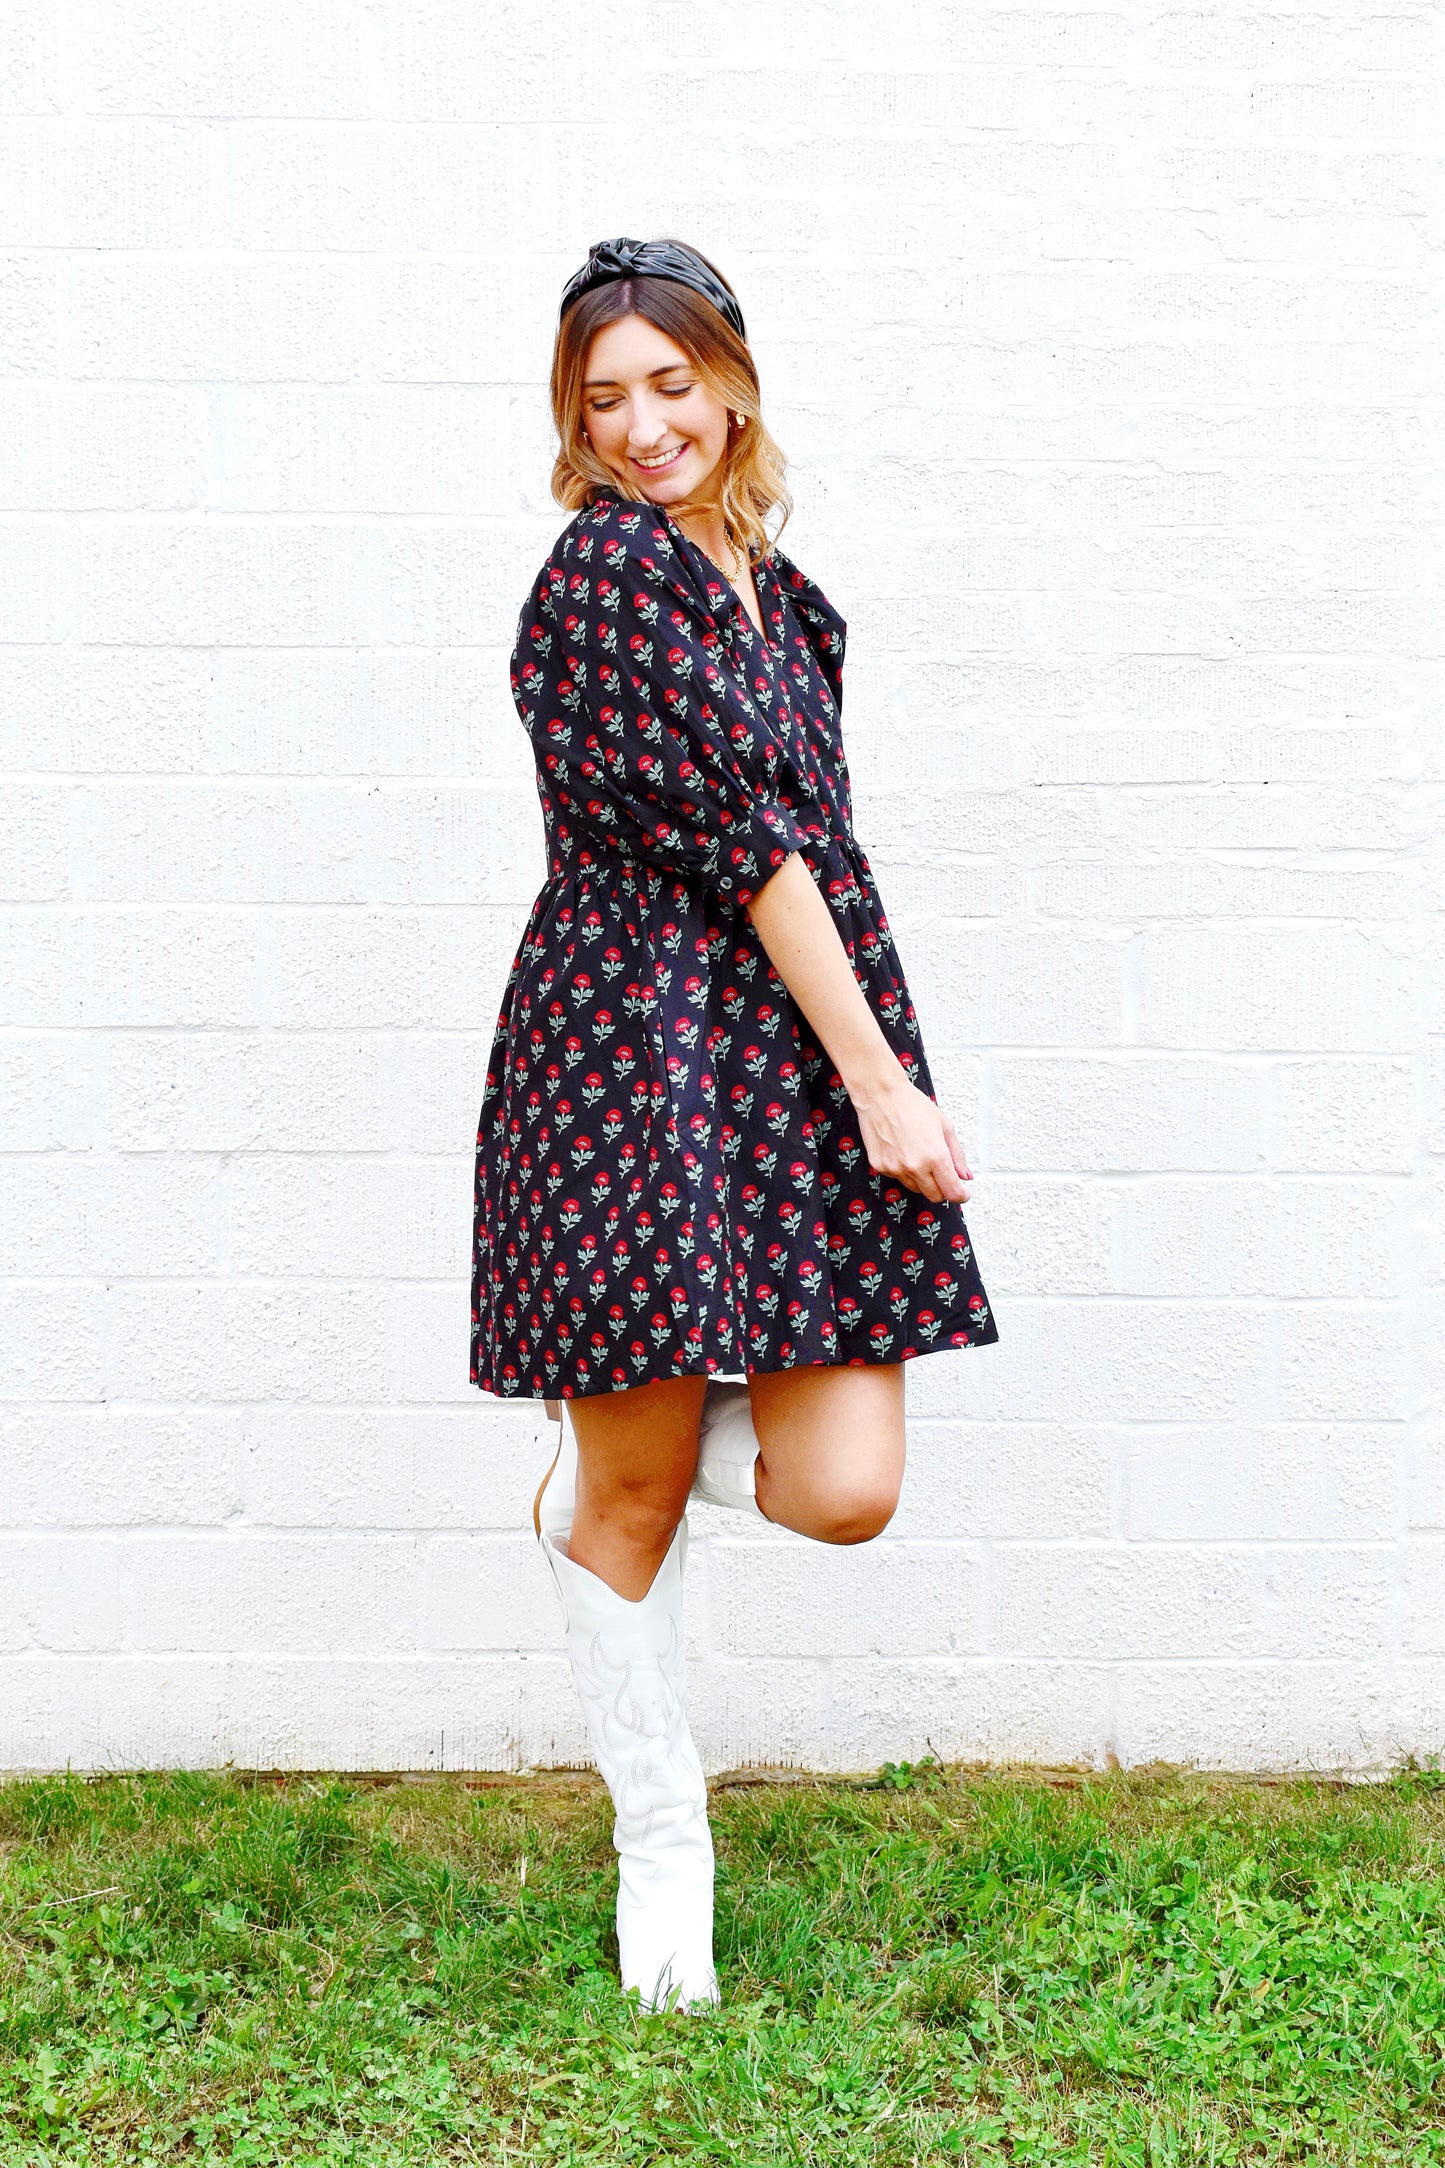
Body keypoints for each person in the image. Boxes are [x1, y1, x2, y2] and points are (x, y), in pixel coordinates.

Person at [470, 236, 999, 2013]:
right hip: (634, 1054)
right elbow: (753, 851)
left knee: (841, 1489)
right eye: (603, 398)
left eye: (669, 385)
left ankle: (605, 1457)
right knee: (632, 1498)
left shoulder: (773, 580)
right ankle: (661, 1864)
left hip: (773, 1048)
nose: (641, 426)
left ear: (732, 382)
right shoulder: (606, 578)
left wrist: (849, 1057)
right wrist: (878, 1077)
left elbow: (811, 842)